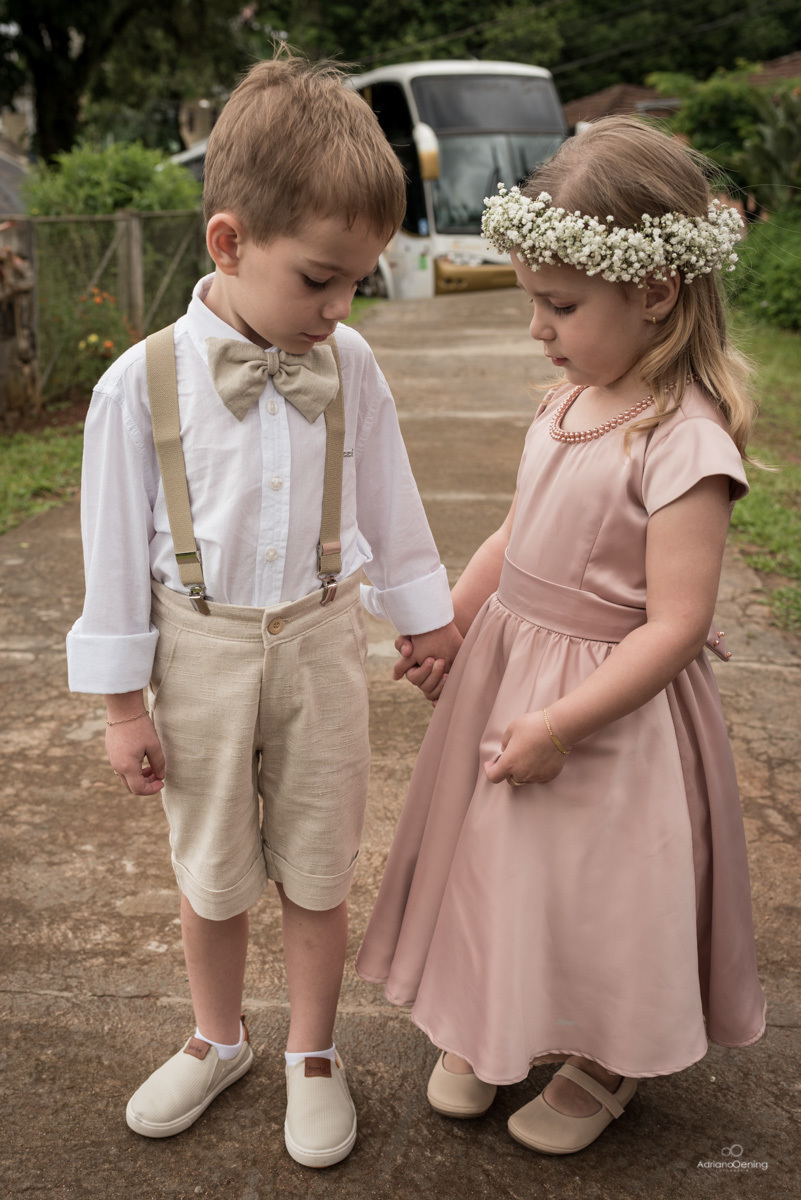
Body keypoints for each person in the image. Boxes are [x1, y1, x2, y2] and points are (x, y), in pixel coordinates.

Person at [66, 52, 461, 1168]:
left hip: (324, 639)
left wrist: (422, 616)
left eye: (355, 287)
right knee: (213, 867)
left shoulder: (351, 364)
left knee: (321, 861)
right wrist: (119, 706)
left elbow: (392, 501)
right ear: (229, 243)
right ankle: (217, 1035)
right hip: (196, 653)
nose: (338, 309)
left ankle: (314, 1054)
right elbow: (107, 560)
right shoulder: (138, 384)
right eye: (320, 280)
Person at [356, 116, 766, 1156]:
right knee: (500, 861)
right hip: (511, 668)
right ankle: (498, 1008)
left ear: (655, 292)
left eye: (562, 305)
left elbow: (676, 625)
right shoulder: (568, 403)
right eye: (535, 300)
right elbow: (518, 532)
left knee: (599, 880)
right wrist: (450, 616)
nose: (538, 327)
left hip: (607, 709)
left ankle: (607, 1049)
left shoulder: (683, 443)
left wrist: (565, 723)